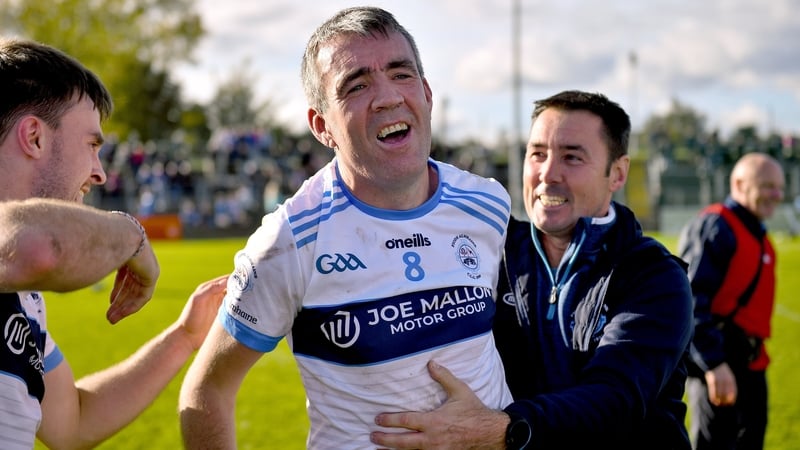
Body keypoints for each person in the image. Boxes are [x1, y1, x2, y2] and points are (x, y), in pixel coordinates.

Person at [179, 6, 513, 449]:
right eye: (356, 85)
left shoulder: (488, 204)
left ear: (427, 94)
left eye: (401, 74)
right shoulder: (289, 240)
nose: (388, 96)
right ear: (322, 126)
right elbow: (207, 390)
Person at [371, 90, 695, 449]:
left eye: (572, 157)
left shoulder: (654, 276)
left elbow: (614, 399)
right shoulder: (490, 252)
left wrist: (504, 430)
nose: (547, 174)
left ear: (617, 173)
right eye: (537, 154)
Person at [0, 37, 227, 449]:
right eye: (91, 145)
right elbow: (37, 248)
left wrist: (183, 337)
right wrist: (132, 236)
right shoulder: (20, 253)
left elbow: (72, 423)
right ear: (34, 136)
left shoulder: (24, 297)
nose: (100, 172)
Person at [677, 153, 784, 450]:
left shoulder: (756, 230)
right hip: (721, 362)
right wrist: (714, 363)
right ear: (738, 183)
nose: (777, 195)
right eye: (767, 186)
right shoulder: (717, 226)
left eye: (779, 187)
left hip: (750, 362)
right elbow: (690, 301)